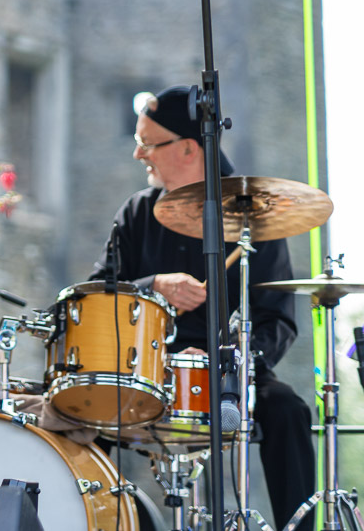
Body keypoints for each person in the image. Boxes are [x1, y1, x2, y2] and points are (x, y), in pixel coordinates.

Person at [90, 85, 315, 530]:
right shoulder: (137, 212)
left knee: (289, 410)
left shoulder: (254, 213)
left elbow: (277, 319)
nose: (138, 154)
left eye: (147, 143)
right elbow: (99, 292)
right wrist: (152, 285)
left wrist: (226, 363)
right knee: (83, 410)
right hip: (147, 372)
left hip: (232, 375)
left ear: (189, 148)